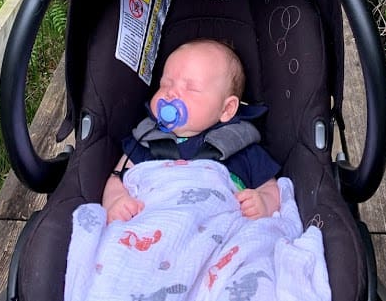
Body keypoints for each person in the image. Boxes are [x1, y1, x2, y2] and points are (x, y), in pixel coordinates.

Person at [102, 39, 280, 223]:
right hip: (154, 226)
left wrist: (264, 203)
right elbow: (116, 180)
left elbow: (270, 188)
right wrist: (117, 201)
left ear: (226, 109)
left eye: (191, 88)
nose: (171, 93)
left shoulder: (242, 148)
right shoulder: (144, 142)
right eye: (165, 84)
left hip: (219, 230)